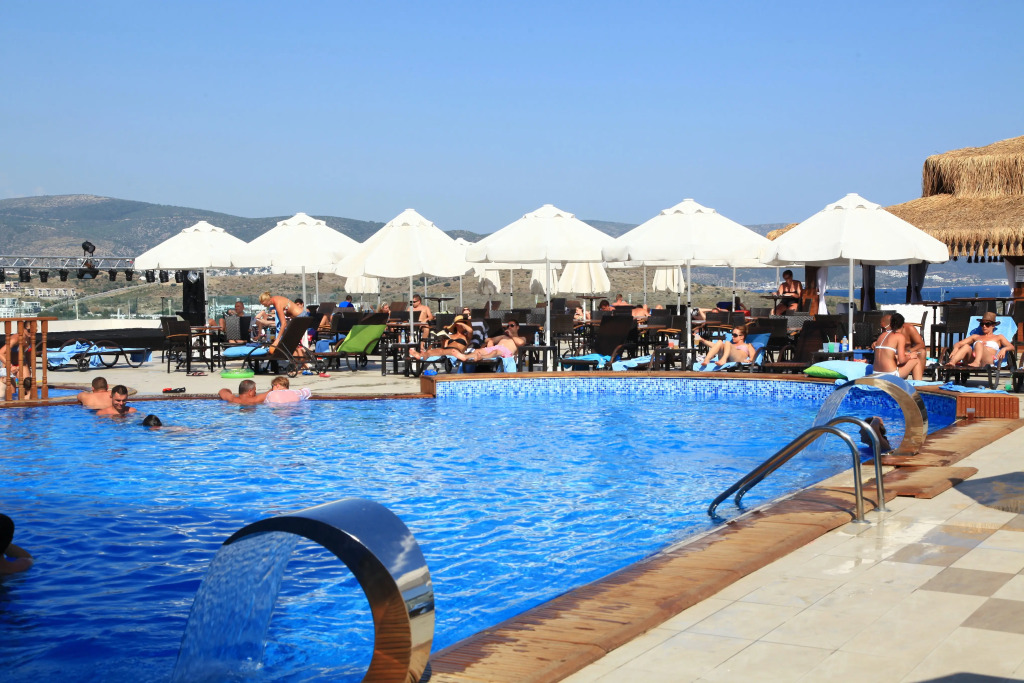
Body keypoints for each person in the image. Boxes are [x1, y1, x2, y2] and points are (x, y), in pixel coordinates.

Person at [946, 311, 1014, 368]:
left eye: (987, 324)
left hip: (987, 361)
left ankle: (977, 362)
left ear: (993, 325)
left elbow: (1011, 347)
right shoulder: (975, 336)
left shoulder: (999, 337)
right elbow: (958, 344)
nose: (984, 326)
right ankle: (952, 362)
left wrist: (1004, 349)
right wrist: (955, 349)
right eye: (982, 324)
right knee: (966, 346)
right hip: (971, 360)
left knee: (978, 343)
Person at [872, 312, 918, 378]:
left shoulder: (882, 335)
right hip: (890, 374)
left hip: (875, 373)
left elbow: (888, 352)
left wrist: (906, 354)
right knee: (916, 360)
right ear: (903, 325)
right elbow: (902, 360)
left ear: (890, 324)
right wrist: (910, 356)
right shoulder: (899, 336)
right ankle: (917, 383)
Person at [882, 313, 926, 381]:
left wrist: (909, 351)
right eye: (882, 328)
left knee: (922, 352)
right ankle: (917, 382)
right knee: (915, 360)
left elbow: (921, 344)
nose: (883, 330)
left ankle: (918, 378)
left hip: (905, 352)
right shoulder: (887, 334)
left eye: (884, 328)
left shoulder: (909, 329)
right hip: (897, 356)